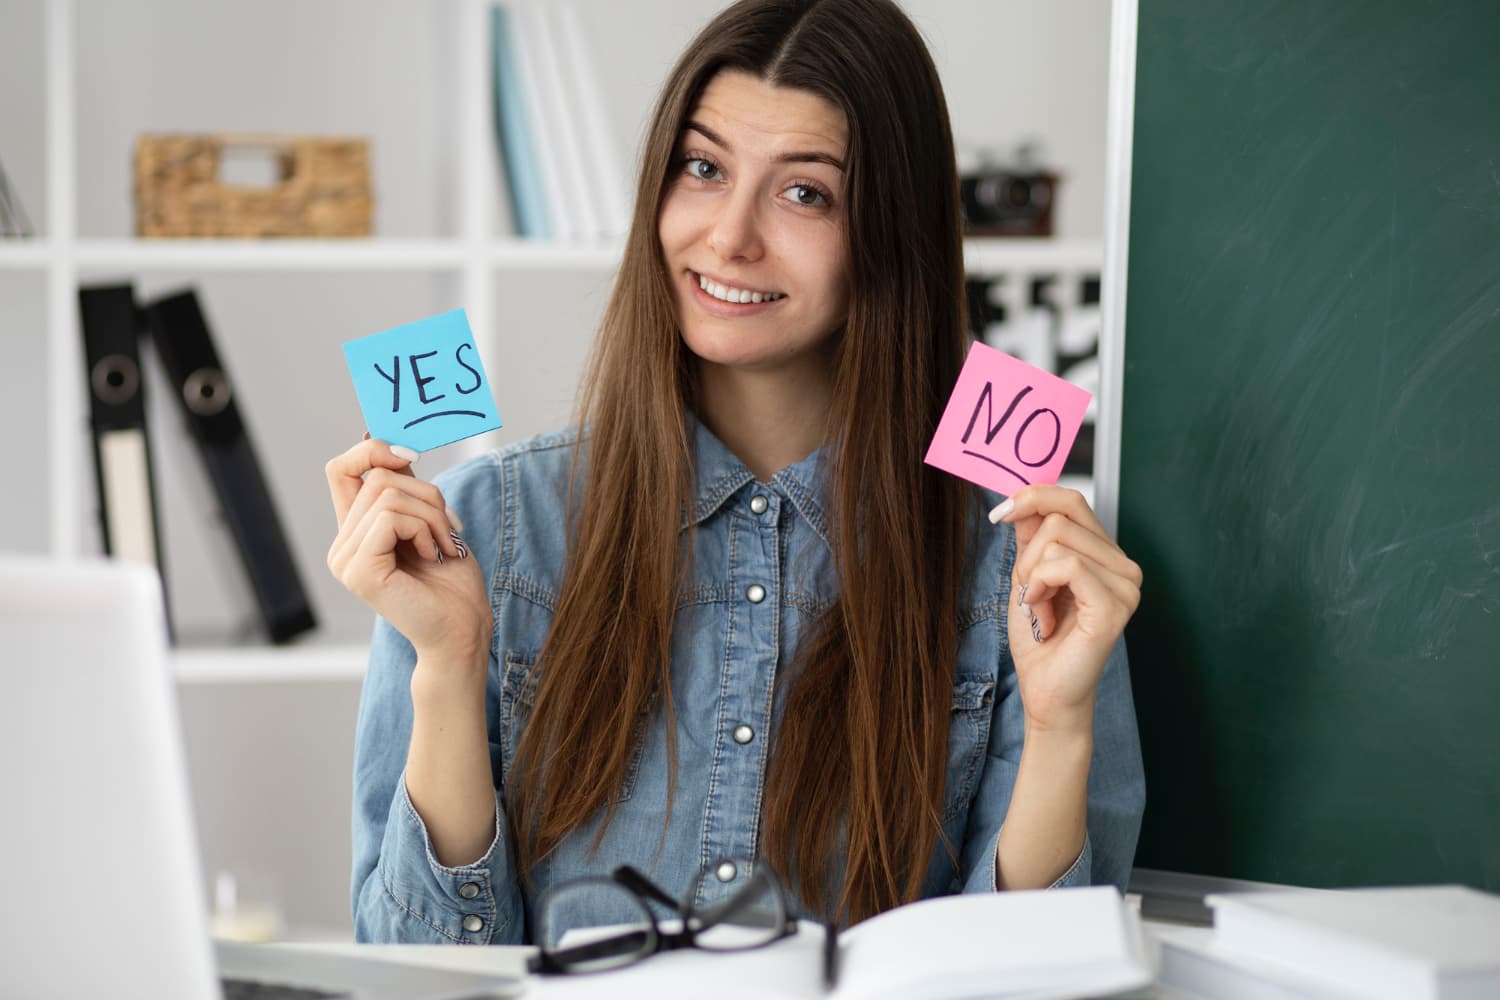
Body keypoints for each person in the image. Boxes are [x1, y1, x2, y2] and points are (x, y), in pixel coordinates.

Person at [325, 0, 1145, 946]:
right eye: (704, 168)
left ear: (891, 230)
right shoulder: (479, 529)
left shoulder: (1023, 567)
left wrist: (1060, 725)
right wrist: (448, 665)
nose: (730, 238)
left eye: (805, 193)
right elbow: (419, 974)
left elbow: (1034, 974)